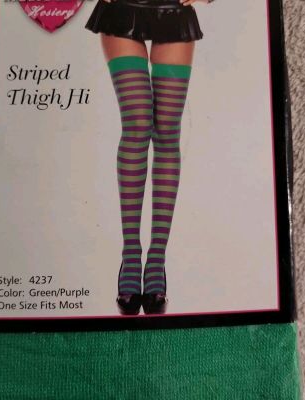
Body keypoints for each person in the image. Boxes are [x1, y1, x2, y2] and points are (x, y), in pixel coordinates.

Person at [86, 0, 212, 315]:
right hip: (121, 10)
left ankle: (156, 260)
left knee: (167, 131)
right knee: (137, 124)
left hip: (173, 11)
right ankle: (131, 255)